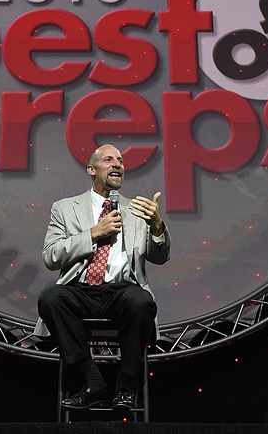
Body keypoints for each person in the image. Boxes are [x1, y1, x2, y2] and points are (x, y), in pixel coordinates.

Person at [35, 144, 170, 411]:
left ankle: (124, 386)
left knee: (141, 302)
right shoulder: (64, 208)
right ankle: (92, 379)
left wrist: (157, 227)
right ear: (91, 169)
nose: (117, 164)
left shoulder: (138, 209)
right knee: (51, 298)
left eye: (120, 161)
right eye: (108, 160)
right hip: (81, 289)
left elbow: (159, 256)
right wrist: (93, 234)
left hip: (123, 290)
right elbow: (51, 256)